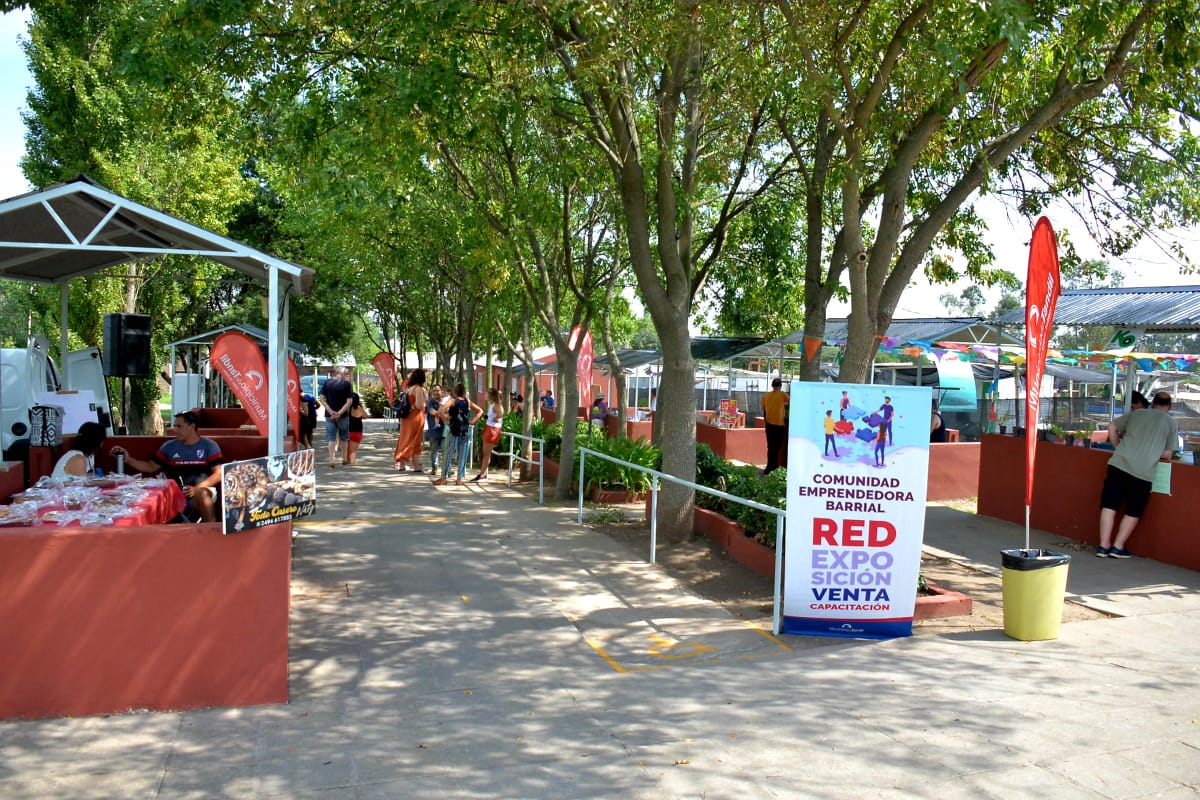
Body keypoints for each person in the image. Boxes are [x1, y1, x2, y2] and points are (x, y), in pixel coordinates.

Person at [1096, 391, 1179, 558]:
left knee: (1109, 505)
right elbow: (1168, 454)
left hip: (1118, 464)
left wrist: (1117, 446)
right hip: (1142, 472)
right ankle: (1118, 547)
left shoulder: (1137, 413)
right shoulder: (1171, 423)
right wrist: (1153, 450)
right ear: (1170, 407)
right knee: (1134, 510)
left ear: (1153, 403)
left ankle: (1103, 546)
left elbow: (1112, 426)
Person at [112, 410, 222, 523]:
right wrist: (128, 460)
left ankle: (212, 529)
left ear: (192, 426)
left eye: (179, 426)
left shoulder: (209, 446)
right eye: (174, 426)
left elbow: (219, 473)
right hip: (174, 494)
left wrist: (197, 488)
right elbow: (150, 466)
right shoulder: (169, 447)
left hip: (202, 490)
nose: (175, 430)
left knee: (202, 494)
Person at [435, 383, 483, 486]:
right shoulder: (467, 401)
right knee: (462, 455)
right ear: (464, 392)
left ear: (455, 391)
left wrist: (446, 421)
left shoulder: (452, 401)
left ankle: (444, 478)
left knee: (448, 453)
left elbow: (440, 411)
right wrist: (472, 422)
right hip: (465, 430)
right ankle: (459, 479)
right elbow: (480, 411)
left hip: (454, 430)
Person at [393, 369, 429, 471]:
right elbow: (419, 405)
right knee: (415, 440)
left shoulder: (410, 389)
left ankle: (402, 464)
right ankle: (416, 465)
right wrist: (426, 400)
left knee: (405, 439)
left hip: (407, 418)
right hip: (416, 417)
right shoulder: (419, 389)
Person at [319, 367, 354, 468]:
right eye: (347, 375)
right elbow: (349, 402)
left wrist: (330, 411)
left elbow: (321, 398)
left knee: (331, 438)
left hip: (329, 415)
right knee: (344, 437)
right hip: (343, 416)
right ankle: (344, 458)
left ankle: (332, 459)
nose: (347, 377)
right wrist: (339, 413)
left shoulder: (327, 383)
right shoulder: (347, 384)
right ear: (343, 374)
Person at [471, 387, 504, 483]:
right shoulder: (492, 405)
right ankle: (483, 473)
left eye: (486, 394)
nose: (485, 395)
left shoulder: (497, 405)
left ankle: (482, 475)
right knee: (485, 453)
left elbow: (500, 417)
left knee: (486, 454)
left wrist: (495, 419)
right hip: (489, 428)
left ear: (491, 396)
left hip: (492, 429)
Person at [762, 378, 789, 474]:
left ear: (772, 385)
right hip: (779, 425)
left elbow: (764, 408)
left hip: (769, 424)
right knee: (777, 448)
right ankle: (775, 467)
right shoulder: (782, 395)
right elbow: (791, 403)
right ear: (780, 386)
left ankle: (768, 467)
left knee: (770, 447)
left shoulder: (766, 395)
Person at [425, 385, 445, 475]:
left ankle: (446, 469)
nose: (436, 392)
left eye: (438, 390)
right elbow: (432, 412)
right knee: (434, 451)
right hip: (434, 431)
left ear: (441, 391)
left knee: (445, 450)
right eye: (434, 391)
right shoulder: (431, 402)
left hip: (445, 431)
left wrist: (439, 414)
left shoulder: (445, 401)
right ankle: (434, 468)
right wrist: (443, 414)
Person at [345, 393, 368, 465]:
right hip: (357, 432)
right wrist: (361, 405)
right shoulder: (360, 409)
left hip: (348, 430)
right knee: (353, 450)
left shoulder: (348, 409)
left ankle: (347, 460)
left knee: (348, 448)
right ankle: (352, 463)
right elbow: (365, 416)